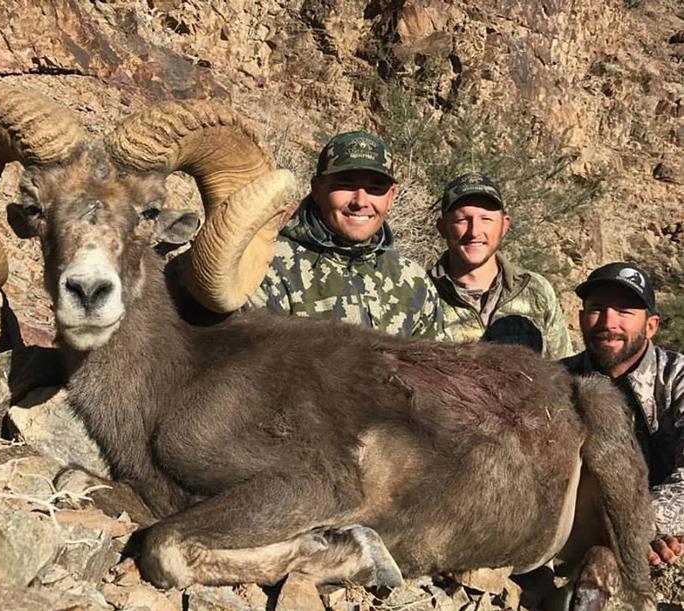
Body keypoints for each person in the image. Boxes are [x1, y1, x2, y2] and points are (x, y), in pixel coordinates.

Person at [246, 131, 442, 338]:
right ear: (317, 189)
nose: (360, 201)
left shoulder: (414, 281)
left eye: (375, 188)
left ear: (391, 197)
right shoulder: (269, 267)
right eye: (346, 186)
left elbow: (433, 366)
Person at [562, 262, 684, 566]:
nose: (608, 322)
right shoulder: (556, 381)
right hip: (577, 535)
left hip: (661, 529)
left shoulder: (677, 377)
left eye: (625, 311)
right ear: (581, 318)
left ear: (652, 325)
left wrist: (643, 524)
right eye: (597, 308)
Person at [427, 172, 573, 359]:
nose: (474, 232)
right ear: (442, 227)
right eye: (462, 220)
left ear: (505, 225)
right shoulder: (422, 294)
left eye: (486, 219)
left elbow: (562, 369)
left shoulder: (536, 290)